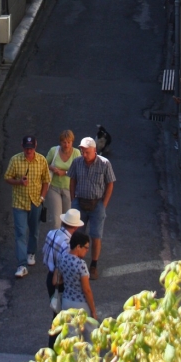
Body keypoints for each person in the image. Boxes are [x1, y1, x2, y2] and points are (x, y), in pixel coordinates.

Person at [68, 136, 115, 279]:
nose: (84, 154)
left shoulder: (104, 163)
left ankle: (94, 265)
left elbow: (110, 183)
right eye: (82, 151)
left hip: (97, 204)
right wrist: (73, 200)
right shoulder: (77, 162)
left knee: (96, 235)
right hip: (80, 202)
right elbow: (72, 180)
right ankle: (77, 264)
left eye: (87, 152)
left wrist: (104, 204)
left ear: (94, 150)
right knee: (77, 235)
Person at [4, 134, 50, 278]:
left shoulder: (41, 160)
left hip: (35, 201)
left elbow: (46, 181)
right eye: (26, 148)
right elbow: (7, 177)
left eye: (31, 148)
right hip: (19, 202)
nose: (28, 151)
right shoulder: (15, 160)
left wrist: (42, 197)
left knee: (34, 231)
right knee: (20, 233)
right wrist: (19, 182)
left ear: (35, 146)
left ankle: (31, 253)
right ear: (22, 147)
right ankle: (21, 265)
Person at [42, 207, 83, 345]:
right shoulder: (68, 245)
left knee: (56, 314)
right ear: (75, 227)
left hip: (50, 277)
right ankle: (55, 347)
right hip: (60, 282)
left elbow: (45, 252)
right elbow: (66, 268)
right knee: (62, 317)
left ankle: (54, 346)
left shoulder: (51, 233)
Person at [55, 231, 97, 321]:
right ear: (78, 247)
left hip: (66, 301)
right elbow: (86, 290)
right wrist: (93, 310)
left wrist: (68, 280)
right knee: (86, 333)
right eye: (86, 248)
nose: (87, 251)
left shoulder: (62, 258)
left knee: (70, 333)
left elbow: (55, 280)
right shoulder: (81, 264)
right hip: (80, 304)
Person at [45, 130, 81, 228]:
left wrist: (64, 172)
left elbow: (79, 170)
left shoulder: (76, 153)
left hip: (69, 189)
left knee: (68, 220)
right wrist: (53, 168)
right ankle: (56, 241)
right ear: (60, 142)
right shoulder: (54, 151)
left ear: (72, 142)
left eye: (69, 142)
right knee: (56, 221)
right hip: (54, 187)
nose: (66, 145)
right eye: (64, 142)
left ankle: (66, 242)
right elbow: (44, 164)